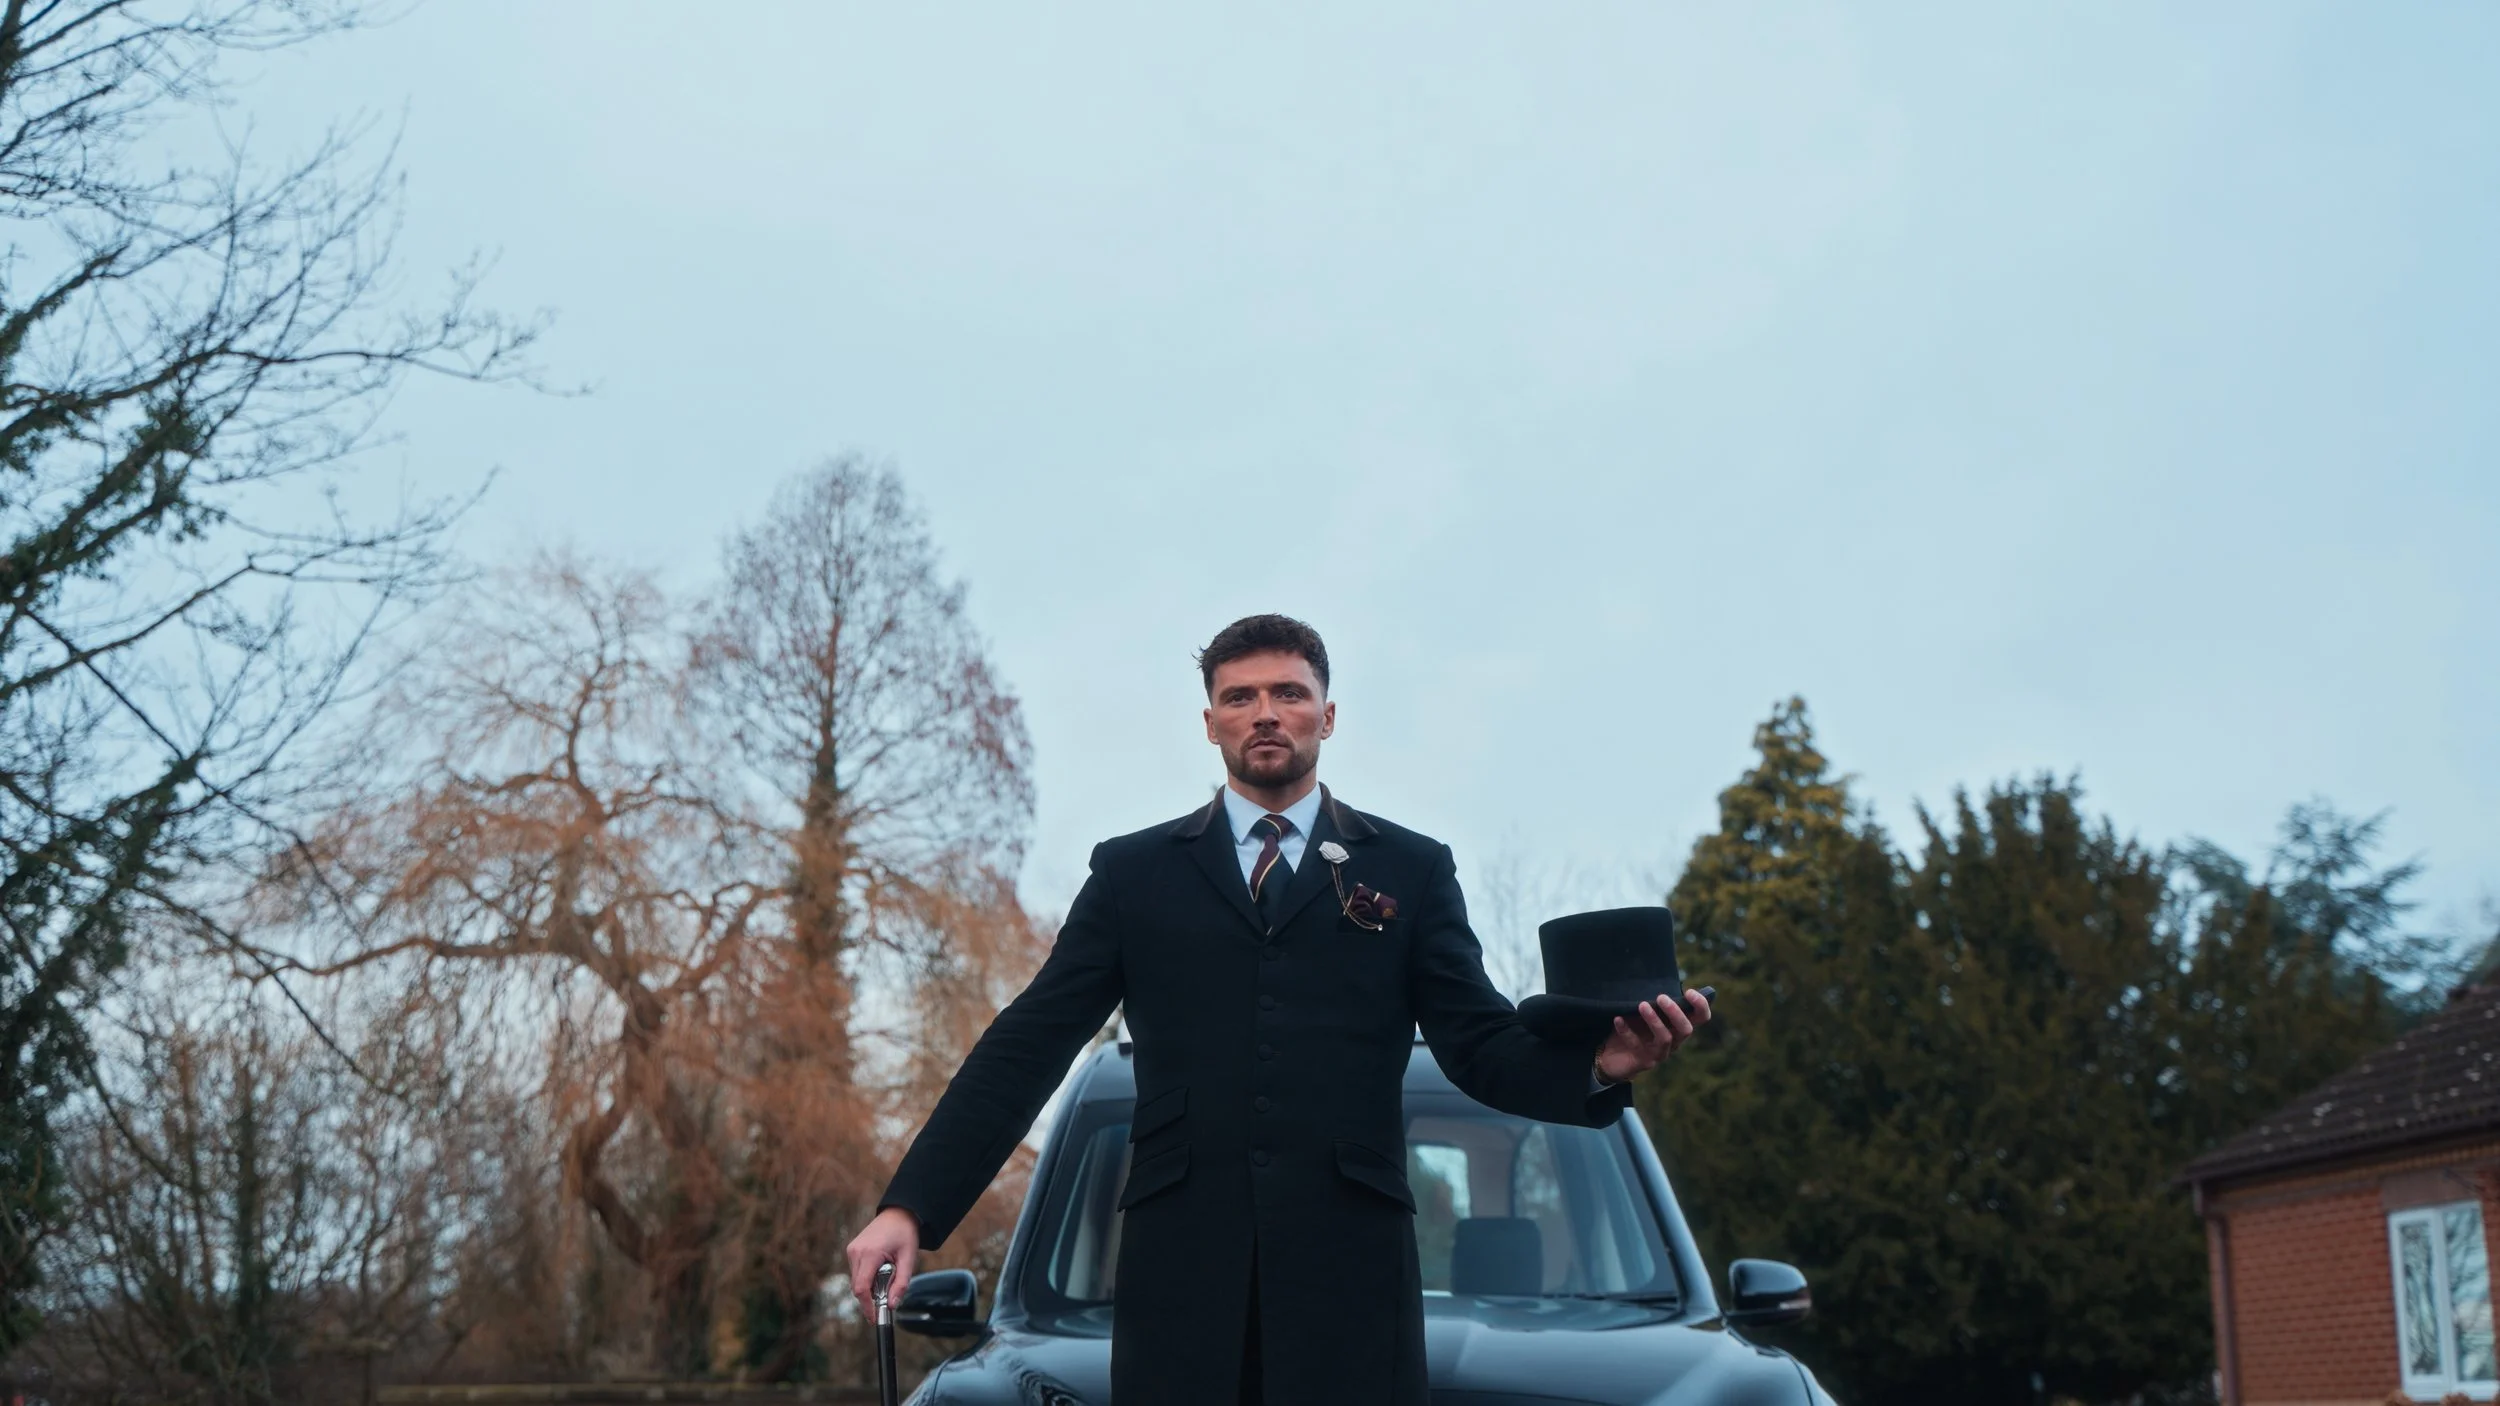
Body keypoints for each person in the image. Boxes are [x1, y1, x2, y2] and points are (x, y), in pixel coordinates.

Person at [844, 614, 1710, 1406]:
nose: (1266, 712)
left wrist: (1596, 1067)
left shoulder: (1410, 870)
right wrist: (911, 1208)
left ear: (1326, 717)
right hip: (1177, 1293)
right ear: (1212, 722)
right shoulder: (1132, 875)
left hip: (1354, 1297)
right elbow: (1030, 1044)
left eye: (1289, 693)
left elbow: (1479, 1044)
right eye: (1241, 697)